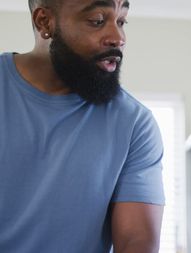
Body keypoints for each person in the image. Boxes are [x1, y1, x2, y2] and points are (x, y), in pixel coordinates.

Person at [0, 0, 165, 252]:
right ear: (45, 21)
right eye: (97, 21)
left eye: (121, 21)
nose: (118, 37)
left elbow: (136, 241)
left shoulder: (134, 124)